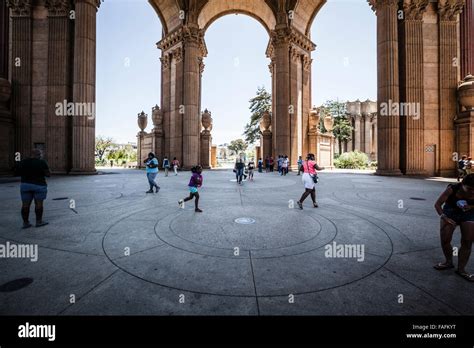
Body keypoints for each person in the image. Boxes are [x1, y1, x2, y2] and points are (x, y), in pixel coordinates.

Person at [434, 174, 474, 281]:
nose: (472, 192)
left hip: (469, 214)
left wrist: (471, 206)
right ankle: (448, 262)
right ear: (462, 184)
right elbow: (437, 204)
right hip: (450, 213)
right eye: (470, 189)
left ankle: (461, 269)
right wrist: (444, 217)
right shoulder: (452, 189)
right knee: (445, 239)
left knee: (467, 241)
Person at [17, 149, 51, 228]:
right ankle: (38, 222)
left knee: (25, 205)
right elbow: (48, 174)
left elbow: (18, 171)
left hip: (25, 185)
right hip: (39, 185)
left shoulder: (23, 162)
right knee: (39, 204)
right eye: (41, 154)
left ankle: (25, 223)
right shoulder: (42, 162)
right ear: (38, 154)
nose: (41, 156)